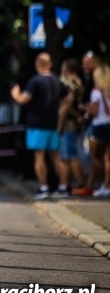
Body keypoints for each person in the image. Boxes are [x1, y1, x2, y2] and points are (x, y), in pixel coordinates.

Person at [11, 52, 69, 199]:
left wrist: (16, 95)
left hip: (37, 124)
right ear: (50, 64)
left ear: (37, 65)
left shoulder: (35, 81)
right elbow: (68, 98)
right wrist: (60, 110)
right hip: (53, 124)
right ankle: (63, 187)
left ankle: (43, 188)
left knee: (39, 157)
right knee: (56, 157)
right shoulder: (57, 81)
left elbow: (24, 99)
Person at [58, 58, 87, 194]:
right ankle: (70, 184)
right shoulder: (79, 81)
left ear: (66, 69)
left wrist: (60, 124)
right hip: (77, 122)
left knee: (68, 155)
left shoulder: (69, 84)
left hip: (69, 123)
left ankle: (79, 183)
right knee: (69, 153)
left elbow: (66, 105)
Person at [85, 63, 110, 197]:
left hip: (99, 125)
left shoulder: (96, 91)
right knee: (108, 158)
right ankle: (107, 185)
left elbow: (94, 111)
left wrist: (86, 110)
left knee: (95, 157)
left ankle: (102, 183)